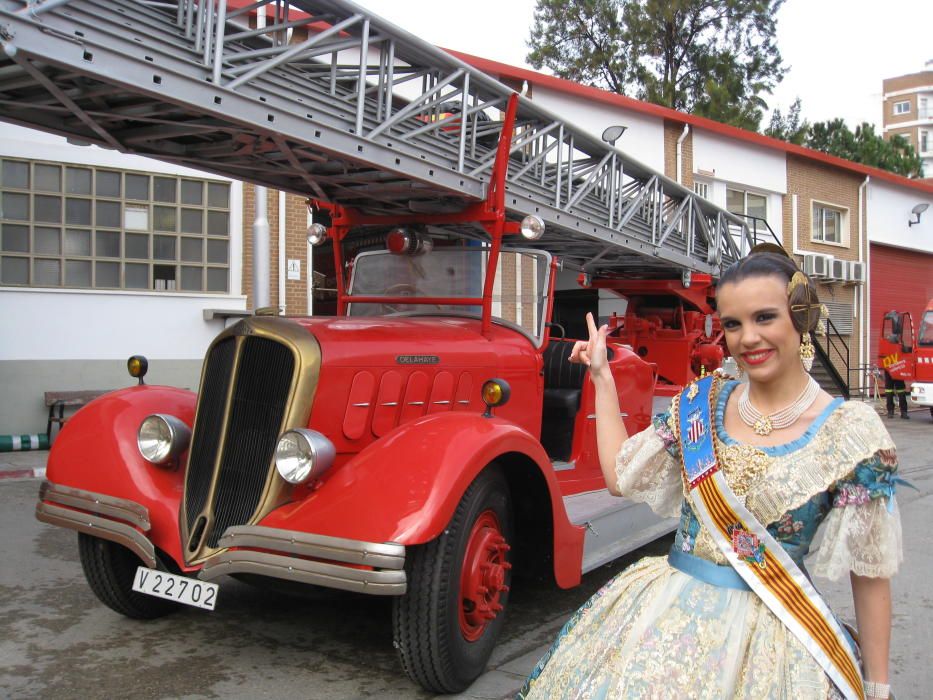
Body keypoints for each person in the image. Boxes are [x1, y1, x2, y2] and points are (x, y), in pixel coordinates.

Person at [518, 250, 902, 700]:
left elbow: (870, 572)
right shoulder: (703, 402)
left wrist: (876, 688)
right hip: (664, 623)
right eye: (734, 324)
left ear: (802, 318)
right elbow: (622, 477)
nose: (748, 338)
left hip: (774, 641)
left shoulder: (851, 433)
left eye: (765, 317)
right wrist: (601, 376)